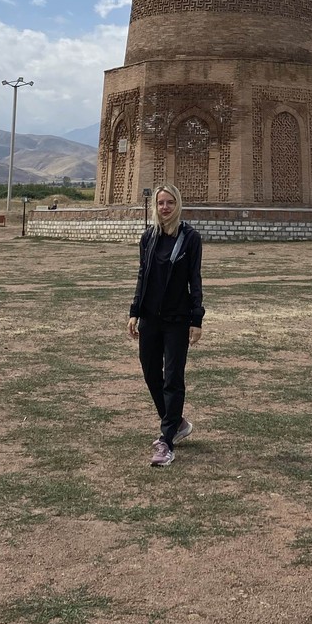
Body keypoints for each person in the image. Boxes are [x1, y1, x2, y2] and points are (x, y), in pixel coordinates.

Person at [127, 184, 203, 468]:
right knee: (150, 373)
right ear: (155, 206)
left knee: (173, 378)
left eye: (170, 203)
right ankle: (176, 422)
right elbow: (142, 276)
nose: (165, 208)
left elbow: (195, 280)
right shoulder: (149, 237)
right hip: (150, 317)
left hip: (177, 318)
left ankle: (166, 441)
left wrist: (197, 318)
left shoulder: (190, 238)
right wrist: (134, 312)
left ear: (178, 205)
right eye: (160, 203)